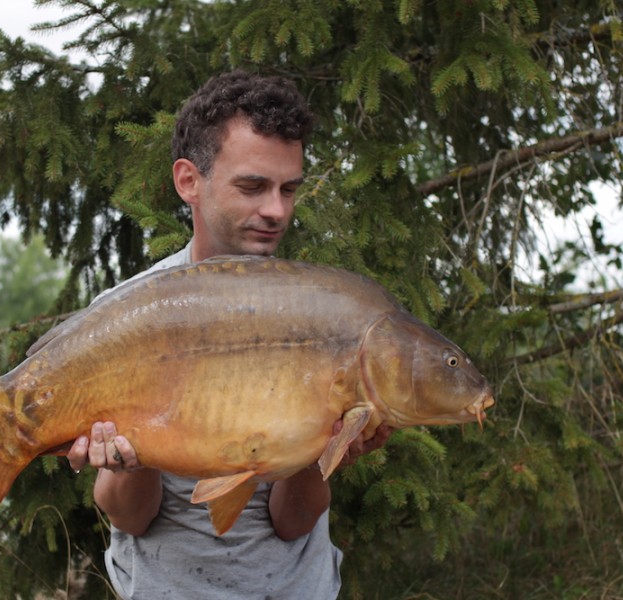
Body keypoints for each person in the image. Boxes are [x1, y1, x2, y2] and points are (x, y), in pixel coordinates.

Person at [67, 70, 394, 599]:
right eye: (253, 186)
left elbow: (291, 523)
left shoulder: (321, 315)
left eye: (289, 189)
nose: (276, 210)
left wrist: (324, 453)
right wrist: (131, 460)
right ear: (188, 181)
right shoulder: (124, 321)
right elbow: (131, 517)